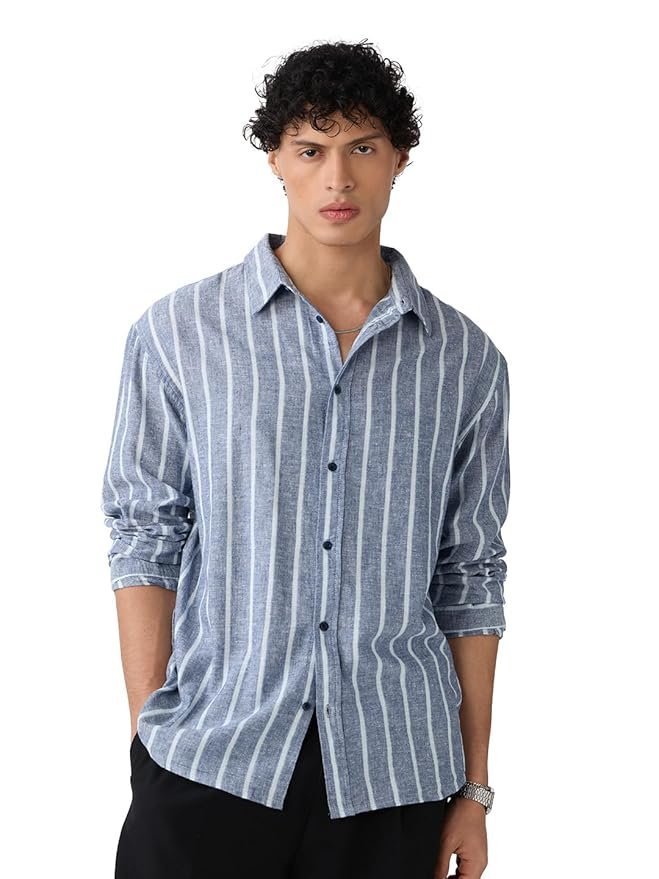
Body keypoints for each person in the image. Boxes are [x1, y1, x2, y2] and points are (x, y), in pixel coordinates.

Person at [101, 38, 511, 879]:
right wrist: (148, 732)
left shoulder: (465, 360)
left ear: (399, 159)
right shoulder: (180, 334)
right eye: (311, 149)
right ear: (275, 160)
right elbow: (145, 534)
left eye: (362, 147)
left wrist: (473, 787)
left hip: (395, 774)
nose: (337, 179)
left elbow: (470, 574)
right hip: (212, 758)